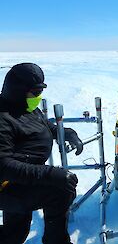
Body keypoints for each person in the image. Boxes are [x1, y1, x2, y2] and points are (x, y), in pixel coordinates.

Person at [0, 63, 84, 244]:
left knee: (14, 234)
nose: (39, 97)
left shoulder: (26, 107)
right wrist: (51, 174)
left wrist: (66, 133)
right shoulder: (3, 117)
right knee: (59, 191)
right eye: (36, 92)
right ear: (19, 90)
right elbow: (3, 165)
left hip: (25, 178)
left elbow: (45, 127)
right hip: (7, 185)